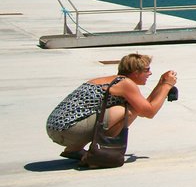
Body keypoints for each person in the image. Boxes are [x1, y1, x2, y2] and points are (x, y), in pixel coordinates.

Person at [45, 52, 178, 165]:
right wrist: (166, 85)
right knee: (128, 111)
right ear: (135, 72)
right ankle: (102, 152)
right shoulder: (126, 84)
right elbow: (148, 112)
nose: (150, 73)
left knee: (133, 107)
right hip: (68, 129)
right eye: (146, 70)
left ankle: (74, 150)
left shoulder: (115, 80)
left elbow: (145, 105)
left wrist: (161, 84)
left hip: (57, 127)